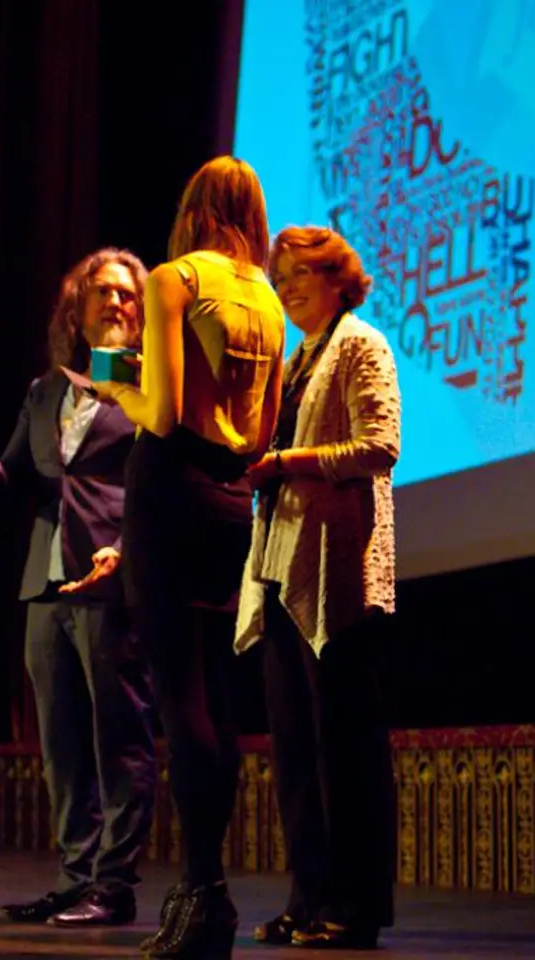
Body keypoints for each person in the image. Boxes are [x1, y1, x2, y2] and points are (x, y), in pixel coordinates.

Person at [90, 156, 285, 960]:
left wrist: (118, 392)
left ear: (193, 210)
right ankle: (206, 895)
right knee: (218, 704)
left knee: (179, 702)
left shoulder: (175, 278)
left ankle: (203, 894)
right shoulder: (271, 303)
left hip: (170, 493)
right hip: (233, 502)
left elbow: (163, 414)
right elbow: (267, 433)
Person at [0, 248, 156, 928]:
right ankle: (76, 879)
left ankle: (115, 884)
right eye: (105, 292)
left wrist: (127, 552)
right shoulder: (47, 391)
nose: (118, 303)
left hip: (109, 576)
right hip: (46, 582)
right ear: (78, 307)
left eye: (130, 294)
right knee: (62, 743)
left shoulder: (149, 385)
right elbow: (16, 479)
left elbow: (157, 489)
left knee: (120, 738)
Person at [236, 225, 401, 949]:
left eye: (302, 272)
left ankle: (354, 906)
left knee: (346, 752)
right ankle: (307, 898)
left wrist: (290, 462)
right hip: (281, 567)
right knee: (296, 753)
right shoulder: (296, 358)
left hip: (334, 570)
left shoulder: (361, 343)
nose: (288, 286)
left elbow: (380, 446)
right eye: (281, 278)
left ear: (339, 276)